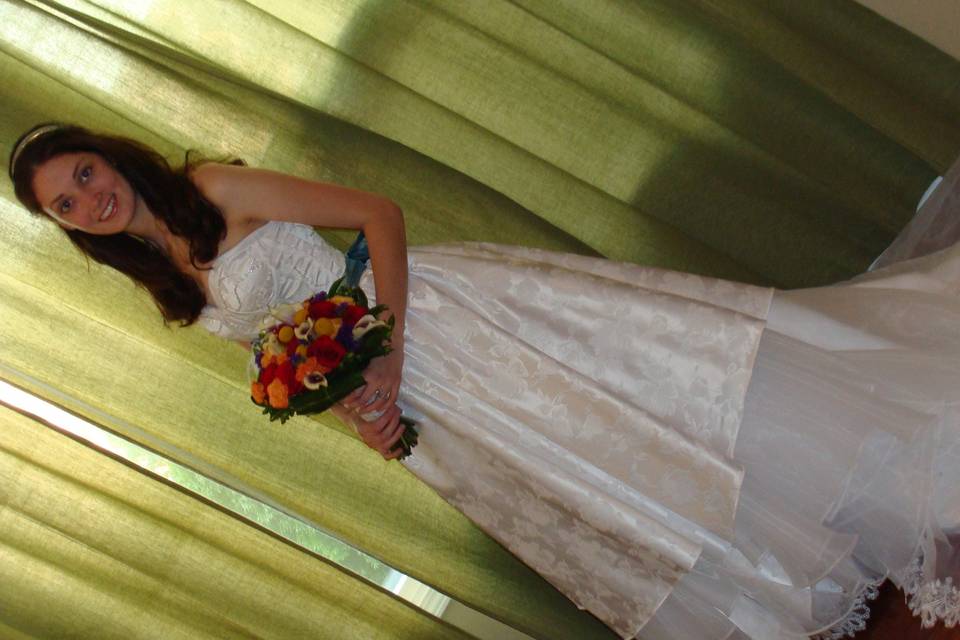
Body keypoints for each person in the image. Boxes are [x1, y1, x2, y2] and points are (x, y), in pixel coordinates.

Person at [9, 123, 959, 639]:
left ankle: (866, 496)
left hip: (451, 323)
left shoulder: (215, 186)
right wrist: (366, 418)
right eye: (67, 203)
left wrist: (386, 337)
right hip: (421, 398)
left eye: (85, 172)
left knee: (650, 404)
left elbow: (379, 215)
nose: (89, 198)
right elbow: (296, 356)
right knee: (600, 477)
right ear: (69, 226)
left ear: (110, 155)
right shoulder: (170, 283)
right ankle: (791, 574)